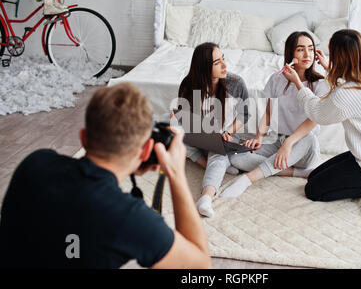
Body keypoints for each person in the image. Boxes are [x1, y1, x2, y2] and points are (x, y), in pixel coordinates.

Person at [0, 83, 211, 268]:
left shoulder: (35, 163)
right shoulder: (129, 217)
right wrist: (175, 173)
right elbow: (200, 266)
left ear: (84, 138)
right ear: (146, 150)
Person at [282, 29, 361, 211]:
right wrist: (329, 67)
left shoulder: (347, 94)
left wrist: (298, 84)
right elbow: (349, 86)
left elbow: (318, 113)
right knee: (314, 175)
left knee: (313, 190)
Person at [220, 31, 329, 198]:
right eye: (300, 49)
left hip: (304, 147)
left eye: (311, 49)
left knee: (309, 137)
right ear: (290, 53)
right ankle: (299, 173)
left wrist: (289, 144)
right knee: (236, 158)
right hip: (278, 141)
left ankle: (247, 180)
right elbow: (269, 112)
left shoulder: (320, 84)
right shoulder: (276, 80)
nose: (307, 54)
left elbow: (313, 120)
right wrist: (259, 137)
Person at [172, 42, 250, 218]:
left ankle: (205, 197)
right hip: (198, 134)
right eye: (217, 62)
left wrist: (229, 132)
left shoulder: (235, 83)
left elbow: (244, 114)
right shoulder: (188, 84)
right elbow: (184, 116)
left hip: (223, 135)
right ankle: (208, 165)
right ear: (204, 68)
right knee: (172, 132)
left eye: (223, 58)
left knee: (219, 150)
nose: (224, 65)